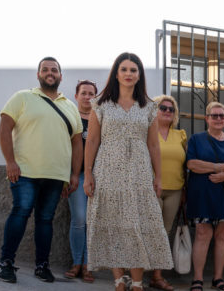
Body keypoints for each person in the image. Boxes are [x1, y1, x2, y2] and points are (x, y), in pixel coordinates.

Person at [84, 52, 173, 291]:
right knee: (112, 222)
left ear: (139, 75)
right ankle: (118, 280)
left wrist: (158, 176)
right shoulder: (101, 104)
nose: (128, 74)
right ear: (116, 73)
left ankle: (136, 282)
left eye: (133, 70)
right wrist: (88, 174)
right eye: (124, 69)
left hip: (139, 172)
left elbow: (154, 145)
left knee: (139, 224)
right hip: (107, 170)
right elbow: (91, 142)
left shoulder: (149, 107)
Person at [0, 57, 83, 284]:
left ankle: (42, 266)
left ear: (60, 76)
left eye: (54, 70)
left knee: (45, 220)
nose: (49, 73)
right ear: (38, 75)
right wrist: (10, 161)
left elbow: (77, 143)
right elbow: (4, 129)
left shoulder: (70, 106)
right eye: (45, 69)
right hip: (24, 171)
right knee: (21, 212)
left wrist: (74, 175)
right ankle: (6, 263)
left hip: (56, 175)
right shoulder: (22, 97)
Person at [186, 102, 224, 291]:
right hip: (202, 193)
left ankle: (218, 279)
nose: (219, 119)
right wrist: (216, 168)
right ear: (207, 118)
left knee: (222, 235)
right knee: (203, 234)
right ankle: (197, 279)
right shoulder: (196, 139)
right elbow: (192, 164)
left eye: (222, 115)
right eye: (215, 115)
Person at [150, 94, 188, 291]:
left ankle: (157, 276)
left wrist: (184, 192)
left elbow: (184, 165)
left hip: (175, 190)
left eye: (171, 109)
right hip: (151, 189)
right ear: (154, 110)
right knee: (149, 231)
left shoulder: (180, 135)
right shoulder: (147, 133)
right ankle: (133, 275)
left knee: (165, 233)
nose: (167, 111)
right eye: (162, 108)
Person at [64, 79, 98, 283]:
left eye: (91, 93)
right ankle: (76, 262)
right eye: (83, 93)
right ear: (76, 96)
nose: (87, 97)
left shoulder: (100, 119)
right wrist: (68, 175)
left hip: (96, 176)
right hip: (76, 175)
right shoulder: (70, 117)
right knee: (79, 219)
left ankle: (88, 266)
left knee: (93, 221)